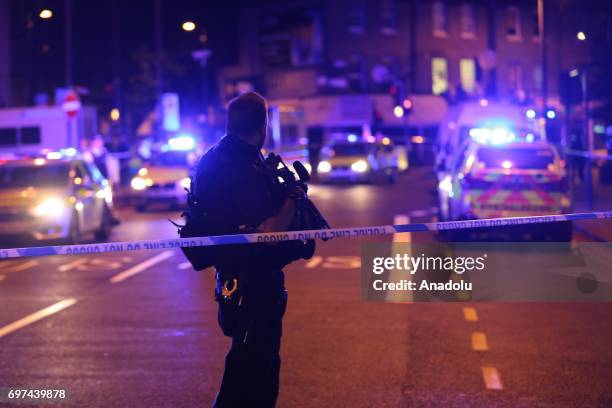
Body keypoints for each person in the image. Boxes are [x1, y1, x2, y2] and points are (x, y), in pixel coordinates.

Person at [190, 92, 301, 407]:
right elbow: (269, 232)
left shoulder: (211, 158)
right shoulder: (245, 164)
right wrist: (293, 197)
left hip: (229, 275)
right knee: (253, 367)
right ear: (262, 125)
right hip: (255, 280)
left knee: (249, 359)